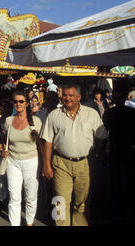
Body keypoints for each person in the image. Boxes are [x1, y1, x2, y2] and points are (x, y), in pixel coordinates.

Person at [41, 83, 108, 226]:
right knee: (58, 201)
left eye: (71, 95)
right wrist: (46, 165)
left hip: (85, 164)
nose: (67, 98)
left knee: (82, 203)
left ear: (79, 97)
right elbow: (47, 142)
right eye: (64, 95)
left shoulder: (91, 114)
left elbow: (102, 136)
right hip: (61, 163)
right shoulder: (54, 115)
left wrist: (97, 154)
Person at [1, 90, 42, 226]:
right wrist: (3, 150)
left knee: (30, 197)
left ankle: (29, 223)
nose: (18, 104)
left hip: (31, 161)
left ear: (27, 103)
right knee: (14, 198)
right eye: (15, 101)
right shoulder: (8, 120)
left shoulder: (36, 121)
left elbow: (42, 143)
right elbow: (3, 138)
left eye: (21, 101)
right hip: (13, 162)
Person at [102, 82, 135, 224]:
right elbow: (104, 133)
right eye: (115, 98)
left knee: (130, 180)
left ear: (126, 97)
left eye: (119, 98)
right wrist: (102, 151)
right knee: (115, 181)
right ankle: (117, 209)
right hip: (115, 147)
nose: (117, 101)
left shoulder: (132, 112)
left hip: (130, 148)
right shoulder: (110, 112)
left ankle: (128, 209)